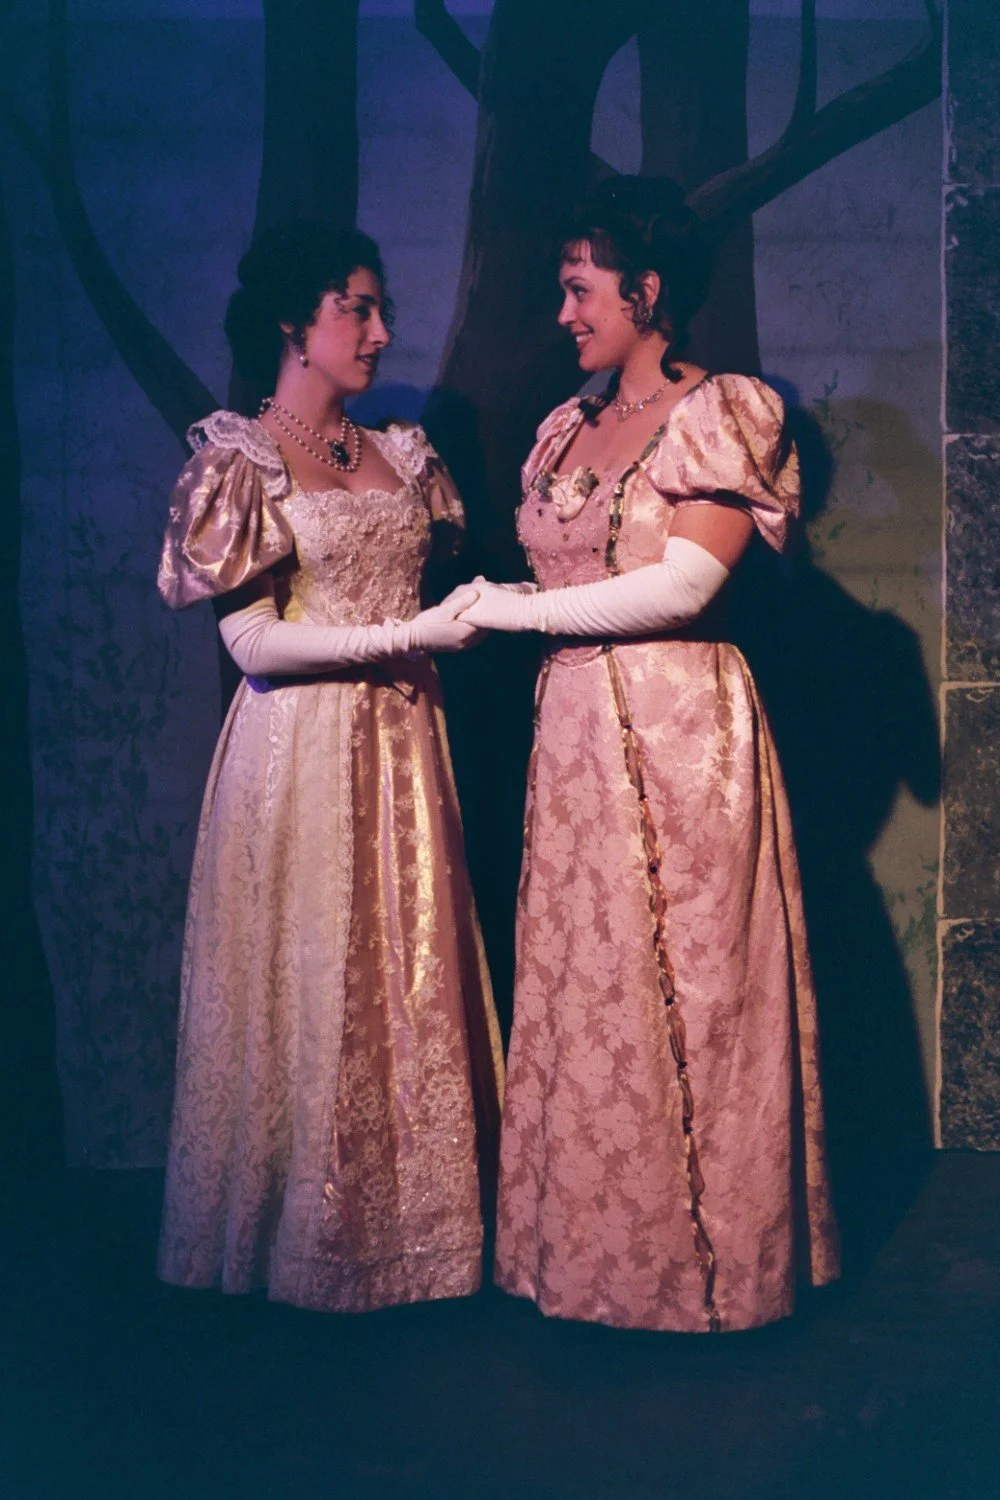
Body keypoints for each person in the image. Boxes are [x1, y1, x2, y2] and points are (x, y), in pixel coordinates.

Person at [453, 178, 840, 1333]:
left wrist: (505, 612)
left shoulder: (721, 411)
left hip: (680, 739)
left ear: (647, 288)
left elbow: (685, 585)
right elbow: (571, 582)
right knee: (592, 1003)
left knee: (691, 1001)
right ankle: (594, 1269)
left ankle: (705, 1283)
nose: (565, 311)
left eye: (581, 287)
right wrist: (509, 604)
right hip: (572, 744)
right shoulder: (565, 426)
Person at [156, 221, 503, 1312]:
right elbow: (252, 644)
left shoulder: (404, 454)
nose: (379, 329)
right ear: (290, 324)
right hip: (297, 756)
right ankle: (299, 1248)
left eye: (379, 306)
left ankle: (424, 1244)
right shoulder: (237, 461)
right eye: (356, 307)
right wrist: (402, 640)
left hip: (404, 752)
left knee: (404, 981)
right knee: (312, 990)